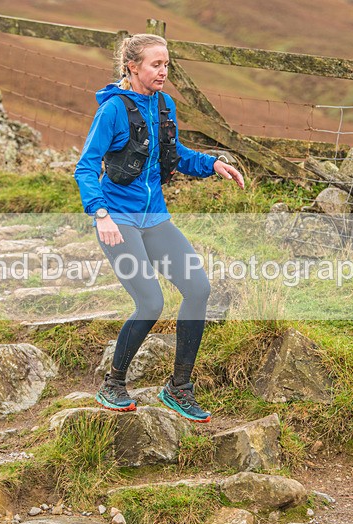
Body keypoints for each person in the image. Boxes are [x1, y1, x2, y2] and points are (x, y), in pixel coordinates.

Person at [73, 33, 244, 423]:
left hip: (155, 217)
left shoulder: (164, 105)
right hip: (118, 219)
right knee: (150, 303)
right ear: (132, 67)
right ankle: (113, 384)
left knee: (198, 289)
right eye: (156, 64)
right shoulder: (113, 110)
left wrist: (213, 164)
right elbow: (86, 167)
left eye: (167, 64)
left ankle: (179, 388)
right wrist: (101, 214)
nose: (164, 71)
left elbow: (175, 154)